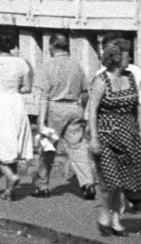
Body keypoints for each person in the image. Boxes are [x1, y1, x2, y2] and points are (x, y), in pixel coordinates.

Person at [87, 39, 141, 236]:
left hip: (129, 136)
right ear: (115, 57)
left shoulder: (131, 77)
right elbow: (92, 111)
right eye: (126, 55)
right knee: (110, 181)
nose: (130, 59)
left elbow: (137, 108)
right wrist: (94, 138)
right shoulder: (101, 81)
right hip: (107, 137)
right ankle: (105, 213)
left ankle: (115, 220)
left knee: (125, 181)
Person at [33, 34, 95, 199]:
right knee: (78, 147)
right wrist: (81, 108)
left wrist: (41, 121)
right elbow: (85, 92)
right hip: (74, 107)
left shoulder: (47, 66)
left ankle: (42, 185)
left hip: (55, 108)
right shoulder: (77, 66)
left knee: (48, 147)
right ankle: (88, 182)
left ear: (52, 47)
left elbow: (43, 96)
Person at [0, 25, 33, 200]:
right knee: (13, 144)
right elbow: (27, 88)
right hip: (15, 102)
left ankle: (10, 176)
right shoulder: (22, 63)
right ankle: (9, 191)